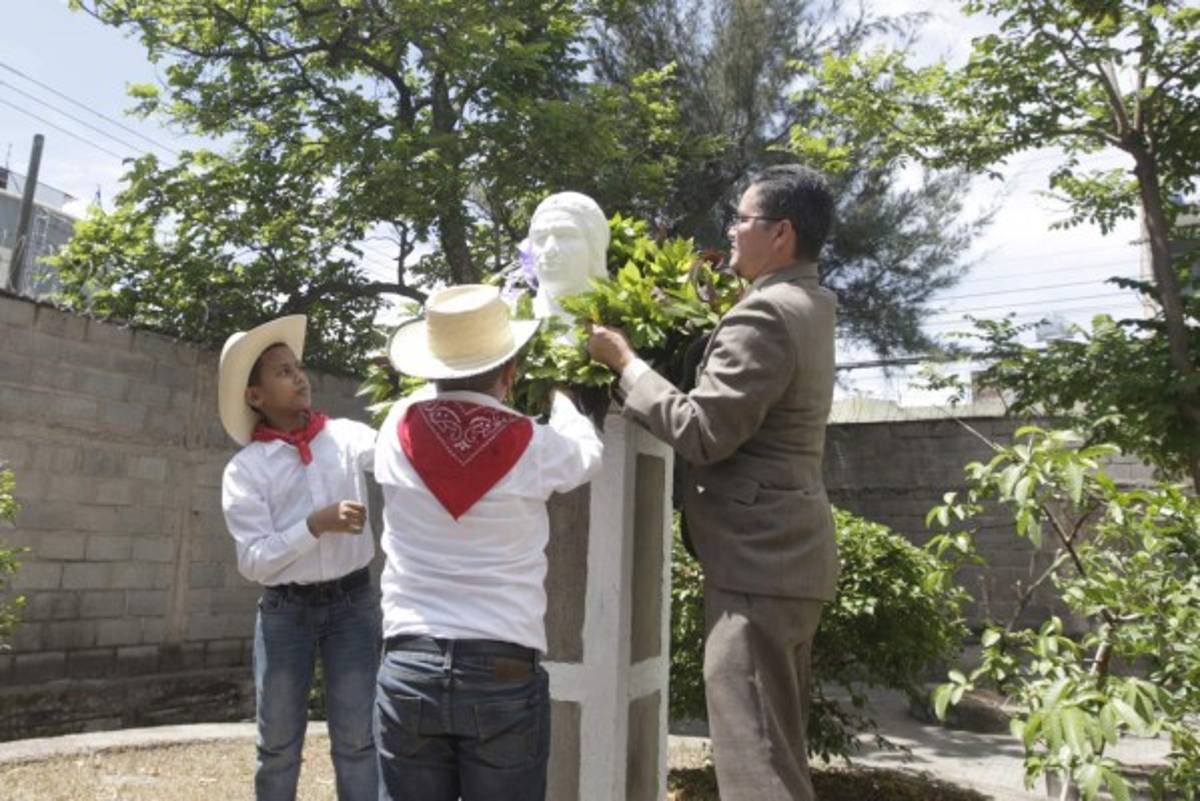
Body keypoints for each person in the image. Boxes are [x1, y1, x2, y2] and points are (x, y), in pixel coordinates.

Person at [587, 164, 839, 801]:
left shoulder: (766, 317)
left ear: (780, 233)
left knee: (756, 765)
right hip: (784, 560)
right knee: (776, 752)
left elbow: (703, 431)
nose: (730, 231)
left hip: (759, 568)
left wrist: (626, 363)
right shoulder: (808, 303)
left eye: (742, 220)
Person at [373, 284, 603, 801]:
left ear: (430, 369)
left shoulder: (394, 428)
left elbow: (428, 401)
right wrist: (561, 398)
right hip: (501, 667)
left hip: (410, 660)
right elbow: (589, 454)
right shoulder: (535, 445)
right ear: (511, 373)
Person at [218, 315, 379, 801]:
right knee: (278, 744)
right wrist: (315, 525)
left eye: (299, 367)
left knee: (357, 739)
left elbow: (401, 454)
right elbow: (254, 562)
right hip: (285, 613)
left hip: (353, 605)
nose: (300, 377)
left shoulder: (348, 438)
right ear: (255, 397)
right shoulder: (246, 470)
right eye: (282, 372)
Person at [527, 191, 610, 322]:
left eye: (564, 235)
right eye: (541, 238)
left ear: (594, 246)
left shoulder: (622, 318)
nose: (549, 249)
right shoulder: (511, 323)